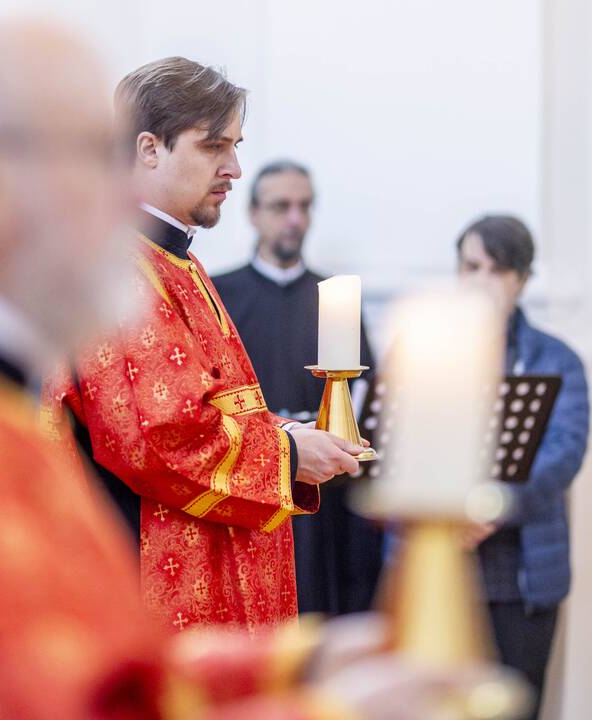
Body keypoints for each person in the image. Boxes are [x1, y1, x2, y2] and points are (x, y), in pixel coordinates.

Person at [0, 11, 496, 719]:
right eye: (87, 153)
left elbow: (87, 659)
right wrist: (326, 710)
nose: (109, 189)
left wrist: (300, 664)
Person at [56, 59, 366, 635]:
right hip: (150, 576)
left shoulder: (173, 259)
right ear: (149, 149)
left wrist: (287, 433)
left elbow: (214, 406)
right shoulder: (119, 268)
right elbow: (159, 438)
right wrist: (290, 458)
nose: (235, 168)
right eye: (213, 147)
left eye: (235, 146)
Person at [212, 160, 383, 616]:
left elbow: (363, 393)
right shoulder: (217, 293)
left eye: (304, 206)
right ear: (252, 213)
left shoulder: (335, 299)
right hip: (251, 486)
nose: (294, 218)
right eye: (281, 206)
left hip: (323, 498)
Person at [457, 215, 590, 720]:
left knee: (517, 710)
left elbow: (564, 454)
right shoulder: (428, 351)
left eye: (496, 270)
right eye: (470, 267)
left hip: (525, 577)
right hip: (444, 564)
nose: (480, 282)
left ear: (522, 280)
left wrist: (491, 506)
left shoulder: (558, 360)